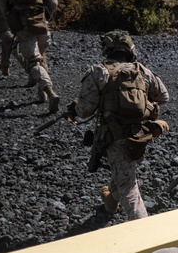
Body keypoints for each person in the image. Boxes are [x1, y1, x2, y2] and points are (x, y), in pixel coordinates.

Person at [70, 30, 170, 220]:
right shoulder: (141, 71)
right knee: (124, 170)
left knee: (129, 187)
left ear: (107, 49)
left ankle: (145, 232)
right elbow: (164, 96)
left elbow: (84, 111)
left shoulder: (98, 71)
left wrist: (75, 109)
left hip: (113, 136)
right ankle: (110, 203)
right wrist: (145, 105)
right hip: (140, 135)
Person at [0, 0, 59, 113]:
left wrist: (12, 20)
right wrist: (45, 17)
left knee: (34, 61)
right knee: (40, 57)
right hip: (42, 24)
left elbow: (2, 5)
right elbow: (53, 1)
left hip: (24, 26)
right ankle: (41, 94)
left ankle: (50, 92)